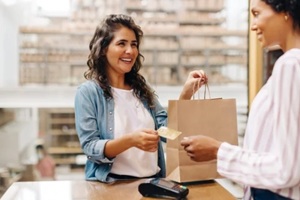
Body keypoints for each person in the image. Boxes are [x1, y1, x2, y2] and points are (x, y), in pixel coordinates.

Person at [180, 0, 300, 199]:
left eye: (257, 13)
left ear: (285, 11)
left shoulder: (290, 65)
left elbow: (287, 169)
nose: (253, 25)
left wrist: (218, 151)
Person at [74, 14, 207, 183]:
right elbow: (91, 148)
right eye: (122, 43)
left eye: (134, 44)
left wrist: (186, 94)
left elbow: (169, 133)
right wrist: (131, 140)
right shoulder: (88, 93)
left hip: (152, 184)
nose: (130, 51)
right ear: (104, 48)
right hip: (112, 186)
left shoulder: (142, 90)